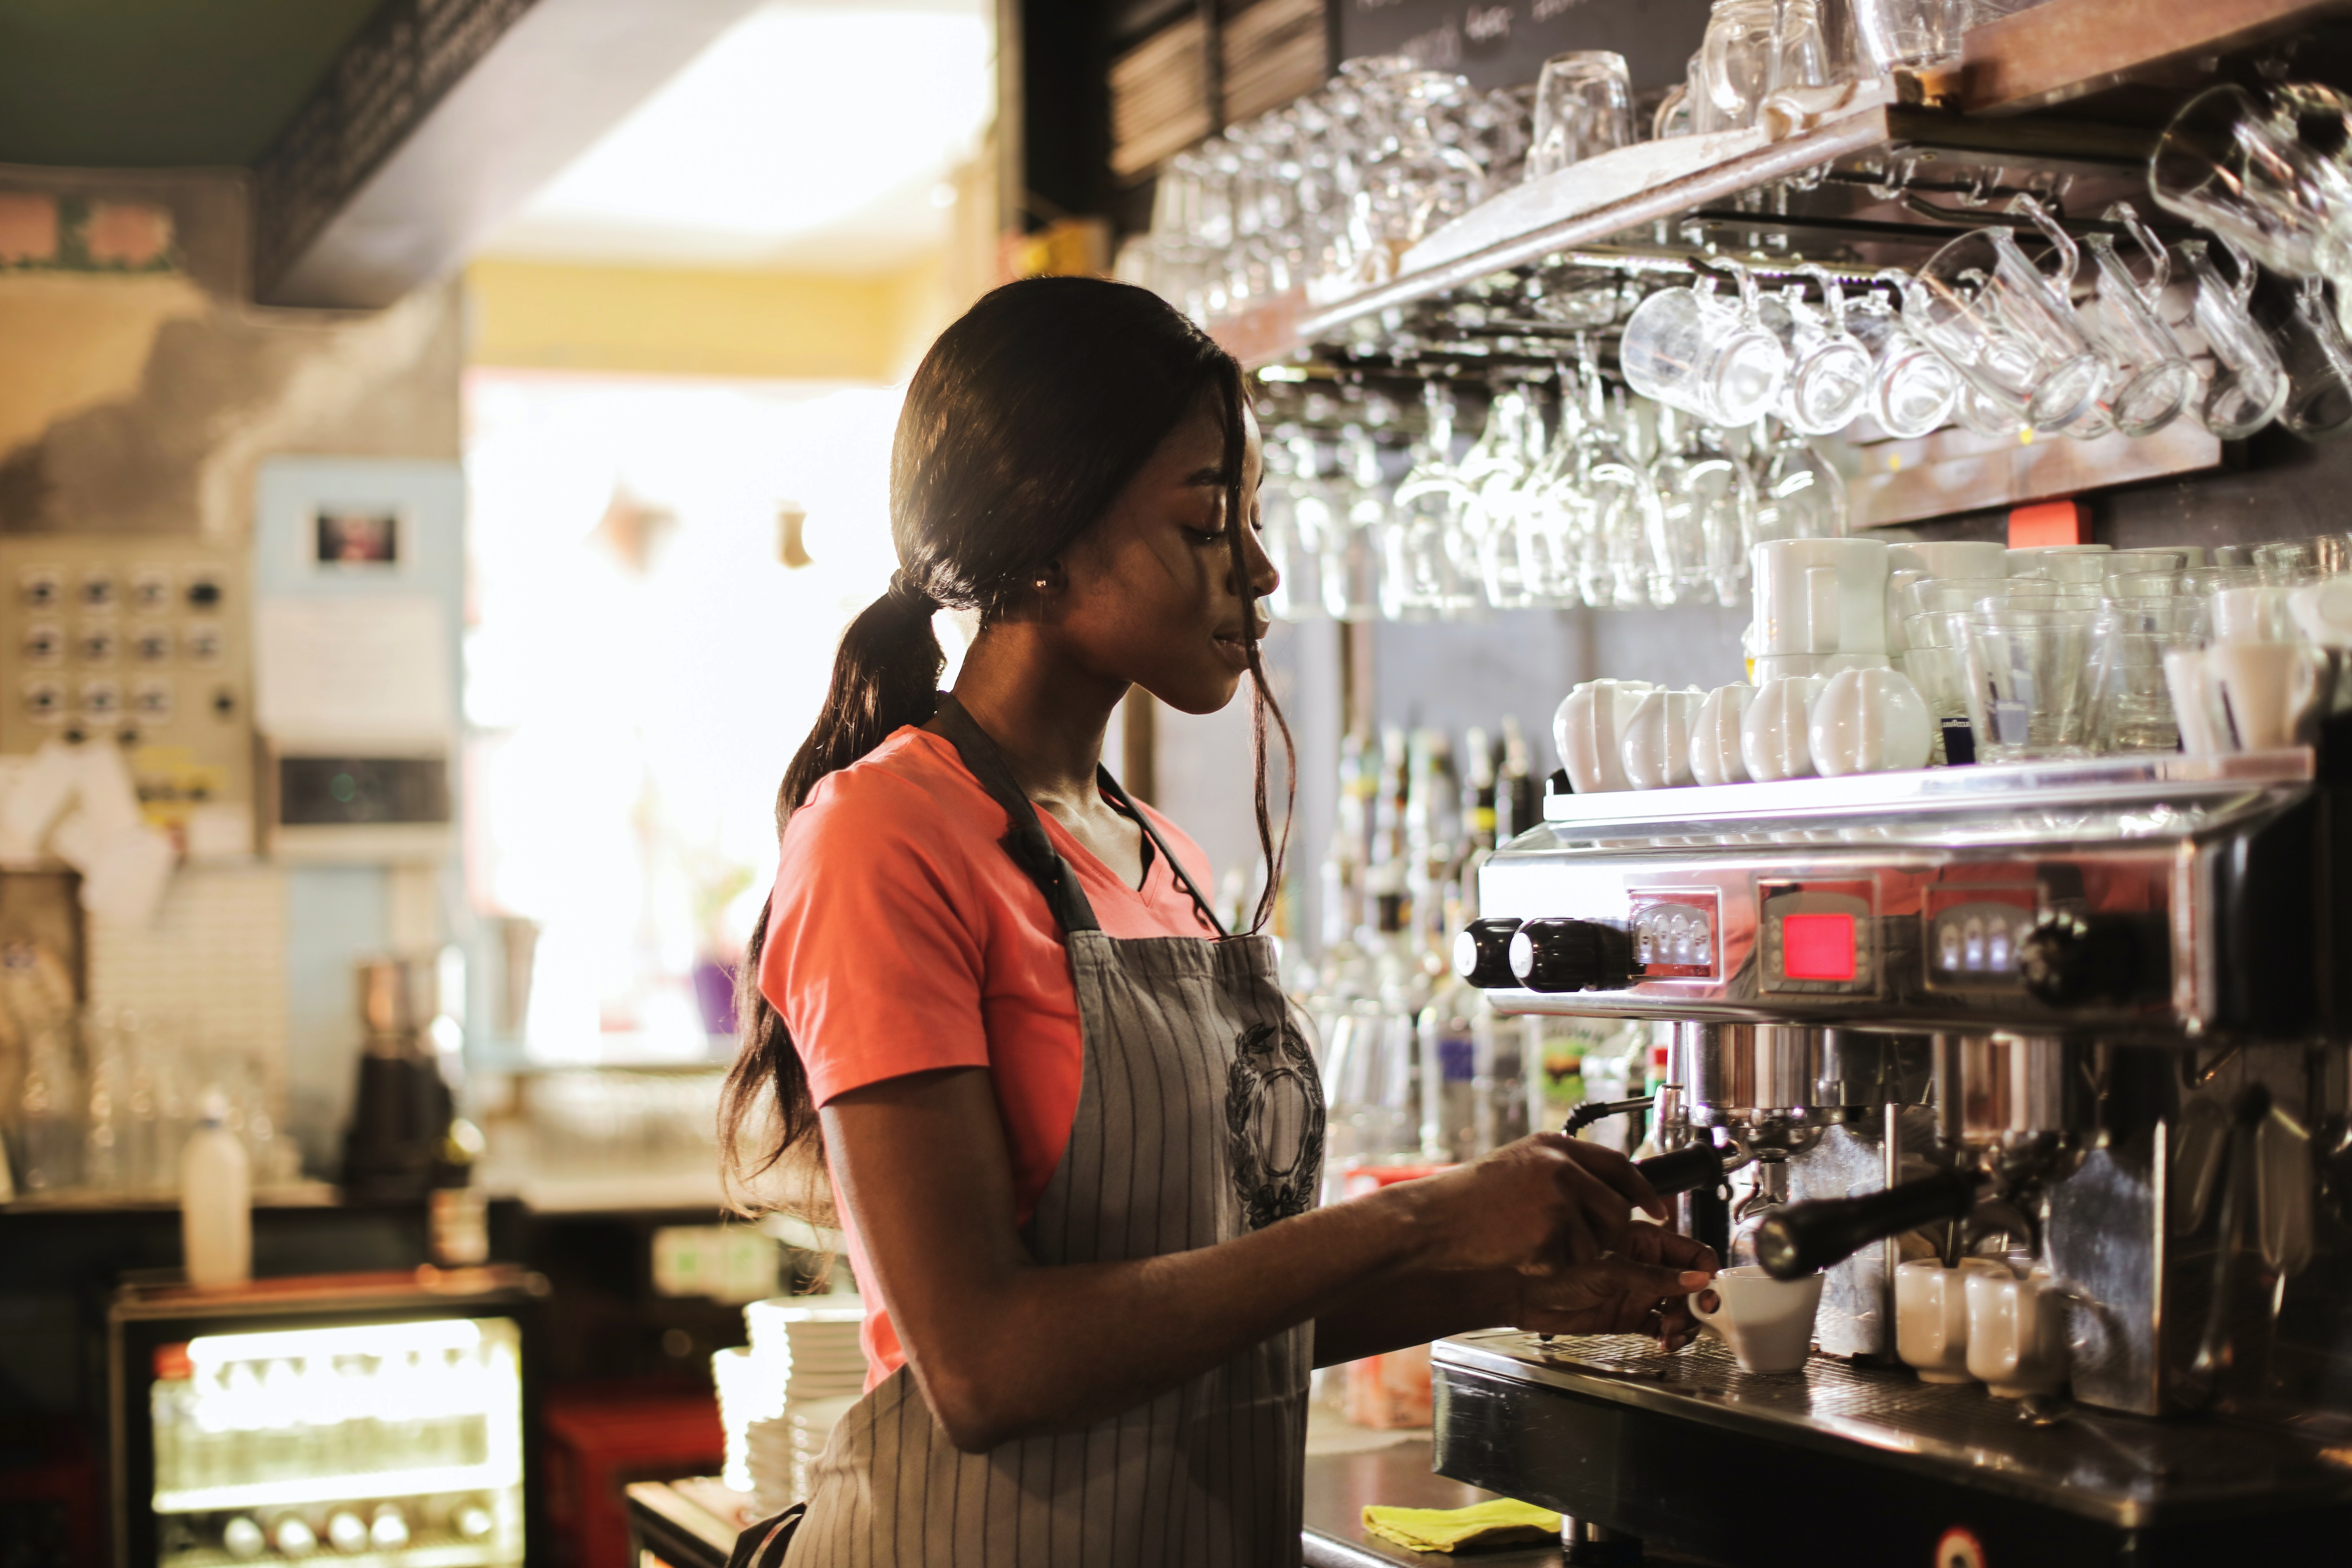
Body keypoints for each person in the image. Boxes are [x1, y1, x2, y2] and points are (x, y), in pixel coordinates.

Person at [722, 277, 1718, 1566]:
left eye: (1250, 517)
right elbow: (985, 1368)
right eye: (1208, 522)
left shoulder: (1166, 858)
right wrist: (1421, 1217)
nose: (1259, 568)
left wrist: (1514, 1276)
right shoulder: (885, 838)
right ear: (1041, 536)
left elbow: (1218, 1304)